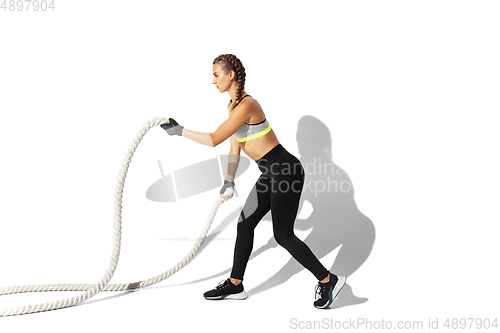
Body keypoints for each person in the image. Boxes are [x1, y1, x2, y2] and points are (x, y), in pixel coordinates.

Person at [161, 54, 345, 309]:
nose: (212, 81)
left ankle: (329, 280)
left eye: (216, 75)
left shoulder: (248, 105)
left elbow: (215, 139)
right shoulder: (234, 107)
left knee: (283, 235)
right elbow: (234, 147)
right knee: (245, 225)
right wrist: (229, 181)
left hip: (285, 170)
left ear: (231, 75)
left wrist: (180, 131)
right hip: (270, 172)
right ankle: (236, 284)